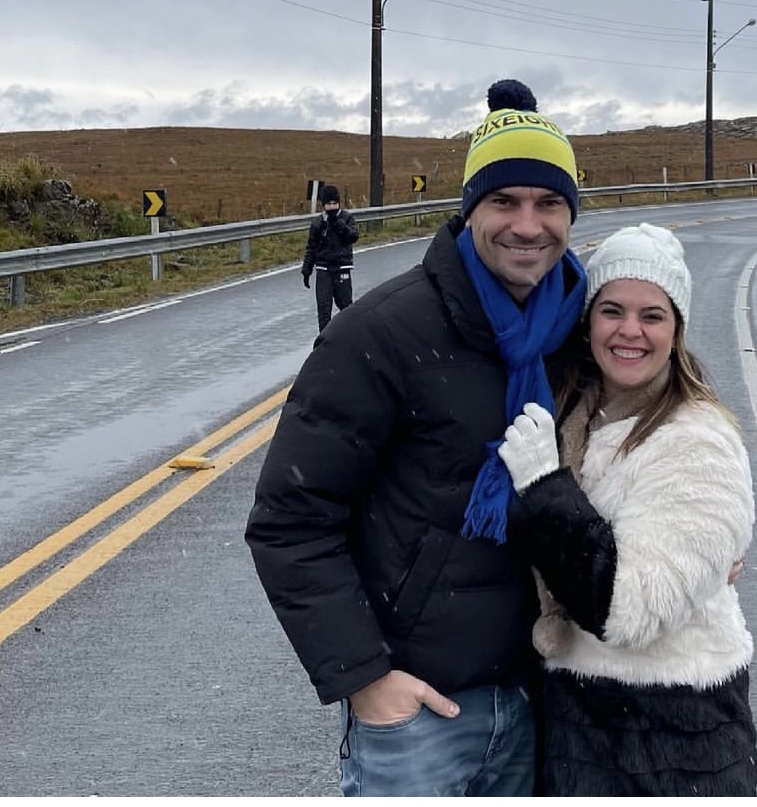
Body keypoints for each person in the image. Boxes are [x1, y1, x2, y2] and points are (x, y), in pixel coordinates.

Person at [245, 79, 586, 797]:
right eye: (504, 201)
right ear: (469, 210)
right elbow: (289, 519)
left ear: (571, 213)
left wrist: (699, 540)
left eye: (548, 202)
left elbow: (648, 434)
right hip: (418, 713)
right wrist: (366, 679)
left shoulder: (580, 329)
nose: (528, 224)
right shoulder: (383, 333)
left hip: (544, 695)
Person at [497, 222, 757, 796]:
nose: (630, 332)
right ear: (587, 320)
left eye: (652, 315)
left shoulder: (698, 439)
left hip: (671, 738)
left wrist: (545, 489)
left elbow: (628, 612)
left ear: (677, 329)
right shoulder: (576, 413)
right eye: (612, 310)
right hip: (577, 721)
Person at [300, 184, 358, 333]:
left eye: (334, 204)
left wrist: (339, 224)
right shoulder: (318, 223)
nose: (332, 207)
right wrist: (307, 270)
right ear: (323, 205)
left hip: (342, 268)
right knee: (324, 310)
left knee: (346, 309)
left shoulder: (347, 218)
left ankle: (349, 338)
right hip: (323, 270)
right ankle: (325, 345)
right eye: (328, 204)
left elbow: (353, 236)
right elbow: (311, 248)